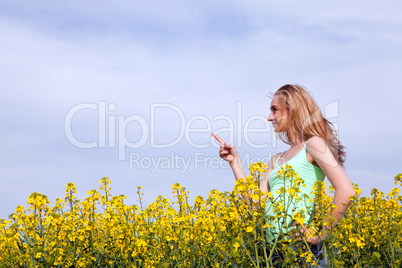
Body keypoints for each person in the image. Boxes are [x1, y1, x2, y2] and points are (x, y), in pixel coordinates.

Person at [213, 84, 355, 267]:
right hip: (274, 250)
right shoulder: (276, 159)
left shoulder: (313, 145)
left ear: (293, 110)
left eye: (274, 110)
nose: (269, 117)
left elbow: (346, 190)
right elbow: (257, 207)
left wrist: (319, 235)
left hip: (302, 249)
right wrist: (235, 163)